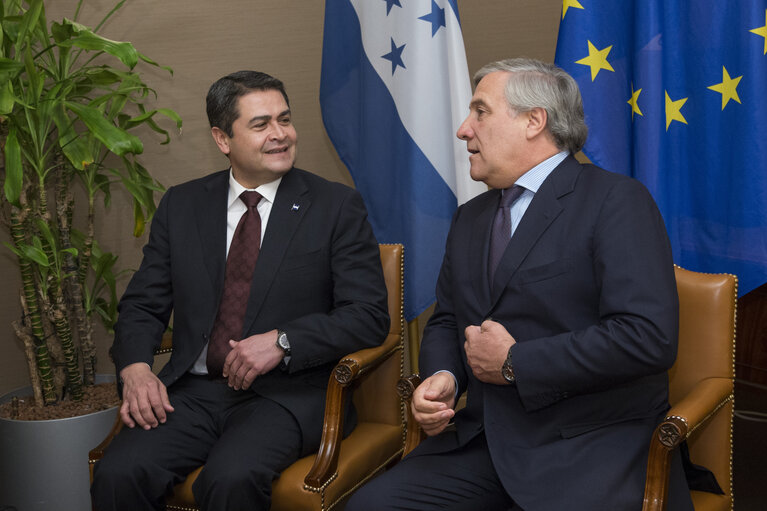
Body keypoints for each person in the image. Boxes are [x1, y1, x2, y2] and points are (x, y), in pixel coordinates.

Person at [346, 58, 694, 510]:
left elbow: (648, 338)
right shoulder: (470, 218)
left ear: (534, 121)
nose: (463, 129)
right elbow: (449, 320)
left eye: (481, 112)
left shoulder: (615, 200)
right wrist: (444, 377)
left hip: (588, 444)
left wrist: (515, 362)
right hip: (485, 441)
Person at [91, 70, 389, 511]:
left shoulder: (335, 206)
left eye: (284, 120)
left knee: (232, 479)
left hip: (285, 396)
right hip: (192, 394)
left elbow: (367, 314)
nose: (280, 134)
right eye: (261, 124)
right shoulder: (183, 205)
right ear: (222, 138)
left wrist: (283, 341)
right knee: (118, 474)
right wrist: (135, 368)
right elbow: (142, 304)